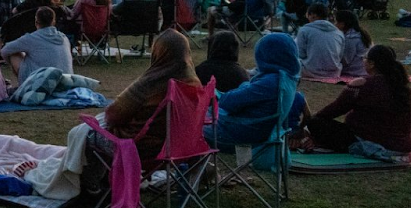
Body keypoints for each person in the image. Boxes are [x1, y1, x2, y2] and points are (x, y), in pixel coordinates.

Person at [100, 29, 201, 164]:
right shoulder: (194, 83)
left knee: (85, 134)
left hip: (144, 149)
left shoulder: (151, 82)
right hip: (184, 149)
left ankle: (92, 183)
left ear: (157, 53)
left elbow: (112, 115)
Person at [297, 45, 411, 156]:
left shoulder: (362, 85)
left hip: (369, 141)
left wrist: (309, 124)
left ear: (372, 64)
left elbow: (332, 111)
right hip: (402, 147)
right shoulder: (405, 89)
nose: (363, 61)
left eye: (365, 58)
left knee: (316, 123)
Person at [208, 32, 305, 151]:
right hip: (256, 132)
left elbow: (228, 102)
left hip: (238, 135)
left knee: (191, 120)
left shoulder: (270, 83)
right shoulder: (288, 77)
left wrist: (244, 87)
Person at [0, 6, 74, 83]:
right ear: (54, 22)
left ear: (36, 22)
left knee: (14, 53)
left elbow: (5, 50)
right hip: (65, 80)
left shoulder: (31, 38)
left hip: (40, 82)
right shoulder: (64, 38)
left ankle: (24, 86)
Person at [295, 2, 344, 80]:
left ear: (313, 15)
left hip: (310, 71)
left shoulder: (304, 30)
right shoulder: (338, 32)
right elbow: (340, 56)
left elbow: (300, 54)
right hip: (334, 73)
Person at [335, 9, 371, 80]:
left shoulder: (351, 38)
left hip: (355, 71)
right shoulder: (360, 33)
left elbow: (346, 60)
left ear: (342, 24)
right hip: (362, 70)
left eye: (336, 22)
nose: (335, 24)